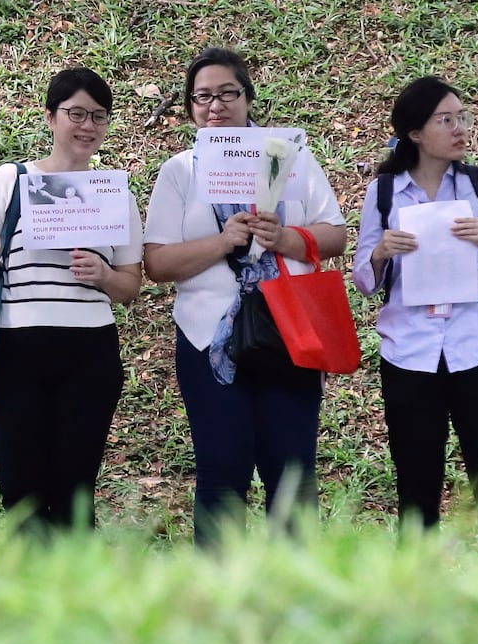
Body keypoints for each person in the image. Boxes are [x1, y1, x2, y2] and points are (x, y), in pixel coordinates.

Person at [142, 47, 346, 545]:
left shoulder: (291, 157)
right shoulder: (179, 172)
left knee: (292, 473)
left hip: (290, 331)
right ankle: (218, 602)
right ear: (191, 108)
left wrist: (287, 238)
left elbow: (335, 234)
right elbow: (157, 264)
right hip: (206, 337)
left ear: (248, 97)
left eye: (227, 93)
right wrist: (223, 241)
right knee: (222, 470)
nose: (216, 106)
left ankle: (295, 599)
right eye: (202, 97)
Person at [0, 67, 142, 530]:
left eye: (99, 116)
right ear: (50, 117)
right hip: (18, 348)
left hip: (90, 351)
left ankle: (75, 594)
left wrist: (103, 275)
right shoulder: (11, 179)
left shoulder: (112, 192)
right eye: (75, 113)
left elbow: (130, 287)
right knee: (20, 491)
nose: (87, 126)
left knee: (75, 491)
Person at [353, 76, 478, 548]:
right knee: (416, 484)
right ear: (415, 133)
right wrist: (381, 251)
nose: (460, 128)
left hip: (477, 350)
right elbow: (364, 279)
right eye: (446, 119)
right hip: (409, 354)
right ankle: (418, 598)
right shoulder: (384, 192)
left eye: (462, 117)